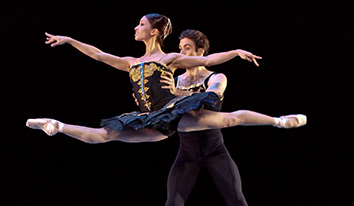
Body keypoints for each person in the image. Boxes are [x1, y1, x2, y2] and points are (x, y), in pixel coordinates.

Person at [26, 13, 306, 142]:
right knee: (105, 135)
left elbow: (207, 59)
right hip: (151, 120)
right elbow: (98, 55)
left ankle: (279, 121)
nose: (136, 27)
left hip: (174, 113)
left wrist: (236, 52)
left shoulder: (167, 59)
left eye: (141, 24)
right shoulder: (131, 63)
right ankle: (57, 125)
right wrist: (71, 40)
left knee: (230, 119)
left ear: (155, 31)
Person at [153, 29, 291, 206]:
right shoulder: (174, 79)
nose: (181, 53)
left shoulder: (216, 76)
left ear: (200, 52)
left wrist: (177, 95)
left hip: (215, 150)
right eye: (180, 48)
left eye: (186, 48)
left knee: (239, 203)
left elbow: (212, 99)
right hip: (187, 153)